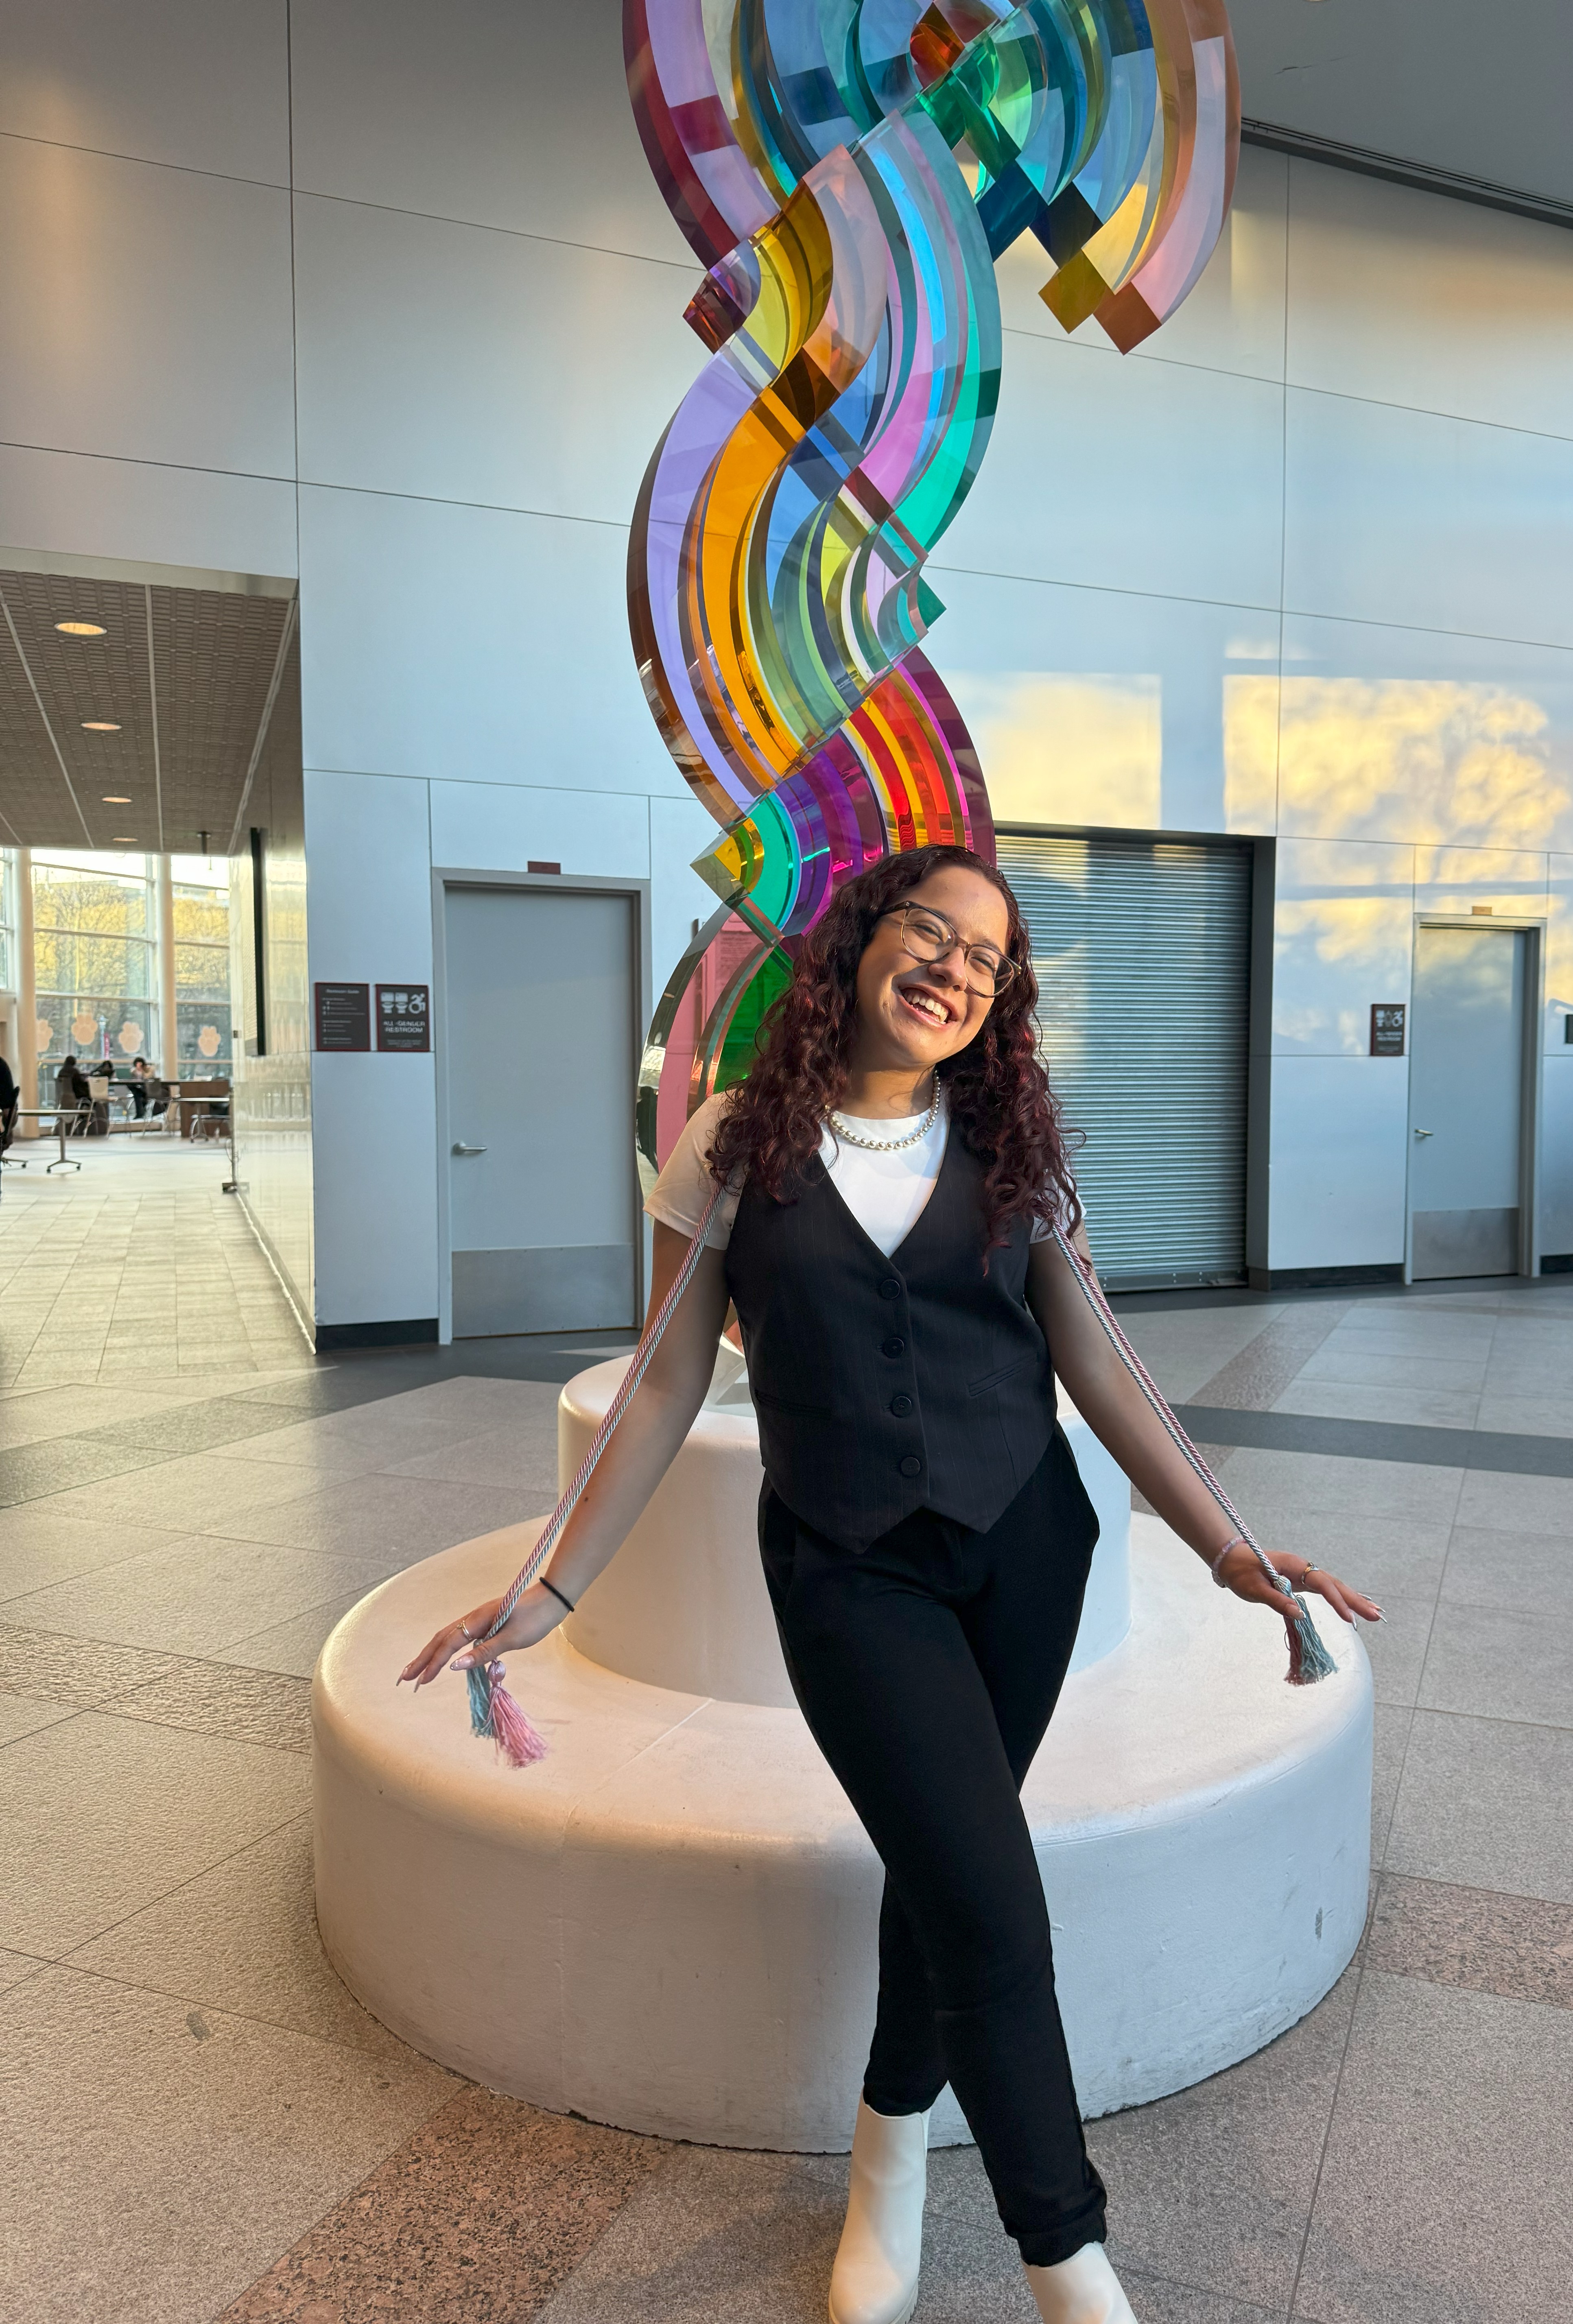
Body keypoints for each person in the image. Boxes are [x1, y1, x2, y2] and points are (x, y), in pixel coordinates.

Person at [401, 844, 1380, 2324]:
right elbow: (666, 1376)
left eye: (988, 960)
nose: (953, 969)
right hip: (851, 1572)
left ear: (1001, 1002)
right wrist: (556, 1583)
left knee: (947, 1872)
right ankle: (1071, 2265)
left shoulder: (1016, 1149)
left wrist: (1225, 1542)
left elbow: (1099, 1355)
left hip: (1025, 1550)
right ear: (862, 940)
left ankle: (887, 2165)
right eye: (931, 930)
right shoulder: (730, 1146)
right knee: (991, 1904)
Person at [54, 1054, 93, 1133]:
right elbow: (80, 1083)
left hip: (63, 1097)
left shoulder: (61, 1072)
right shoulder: (75, 1071)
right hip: (75, 1095)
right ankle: (85, 1115)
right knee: (91, 1097)